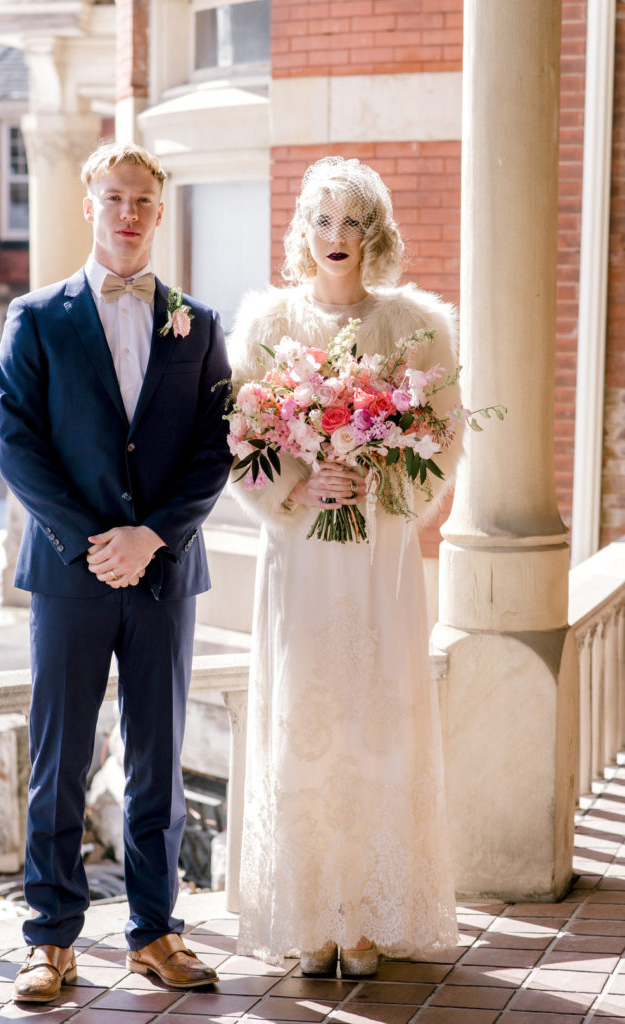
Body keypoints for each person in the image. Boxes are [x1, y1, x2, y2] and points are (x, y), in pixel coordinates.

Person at [0, 142, 232, 1003]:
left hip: (164, 576)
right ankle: (49, 940)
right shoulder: (35, 317)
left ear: (160, 212)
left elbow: (216, 451)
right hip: (70, 572)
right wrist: (98, 539)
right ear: (90, 203)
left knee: (158, 758)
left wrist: (153, 538)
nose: (128, 213)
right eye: (114, 197)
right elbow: (15, 446)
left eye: (143, 200)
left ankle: (156, 932)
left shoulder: (197, 325)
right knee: (57, 758)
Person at [227, 156, 462, 974]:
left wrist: (381, 467)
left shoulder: (417, 326)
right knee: (305, 721)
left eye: (352, 221)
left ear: (375, 234)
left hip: (379, 557)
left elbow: (444, 440)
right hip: (300, 558)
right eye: (322, 221)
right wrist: (303, 484)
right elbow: (245, 449)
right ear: (303, 233)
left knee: (375, 720)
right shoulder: (265, 326)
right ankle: (309, 915)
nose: (336, 237)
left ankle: (364, 915)